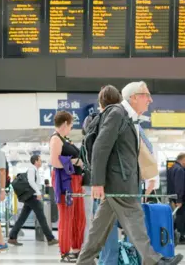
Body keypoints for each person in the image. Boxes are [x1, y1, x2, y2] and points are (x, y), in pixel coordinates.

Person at [77, 81, 183, 265]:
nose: (150, 100)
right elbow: (102, 147)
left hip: (121, 180)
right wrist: (97, 182)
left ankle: (84, 261)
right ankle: (153, 260)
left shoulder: (126, 116)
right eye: (146, 95)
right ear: (133, 97)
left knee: (100, 226)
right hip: (119, 181)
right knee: (135, 218)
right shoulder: (118, 113)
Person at [84, 85, 123, 265]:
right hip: (116, 179)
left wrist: (97, 181)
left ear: (100, 102)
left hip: (101, 180)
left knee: (101, 226)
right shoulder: (118, 118)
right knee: (113, 225)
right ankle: (109, 260)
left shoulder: (93, 120)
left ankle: (104, 260)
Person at [49, 111, 85, 263]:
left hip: (76, 180)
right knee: (66, 217)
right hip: (66, 181)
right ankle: (64, 252)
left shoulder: (65, 139)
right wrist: (75, 162)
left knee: (78, 217)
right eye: (70, 125)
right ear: (64, 124)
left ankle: (77, 249)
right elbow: (55, 162)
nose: (71, 127)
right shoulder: (56, 139)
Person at [8, 155, 58, 246]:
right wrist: (38, 192)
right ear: (35, 161)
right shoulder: (32, 169)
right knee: (42, 218)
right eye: (40, 160)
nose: (41, 161)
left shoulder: (34, 170)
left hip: (30, 197)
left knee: (22, 218)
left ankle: (12, 236)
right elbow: (31, 181)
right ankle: (50, 238)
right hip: (33, 197)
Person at [169, 153, 185, 242]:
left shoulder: (172, 168)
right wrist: (179, 199)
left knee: (178, 216)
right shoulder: (180, 170)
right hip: (179, 198)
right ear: (183, 159)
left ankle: (176, 233)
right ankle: (181, 236)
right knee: (181, 217)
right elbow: (179, 186)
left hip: (173, 197)